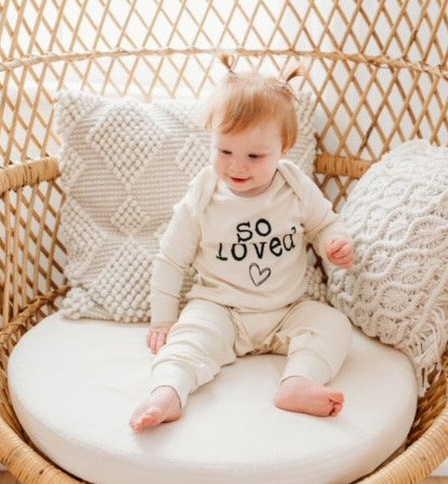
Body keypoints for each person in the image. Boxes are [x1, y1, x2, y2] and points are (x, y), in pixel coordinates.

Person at [130, 56, 355, 432]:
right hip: (221, 309)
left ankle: (298, 381)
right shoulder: (203, 195)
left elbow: (323, 225)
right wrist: (163, 318)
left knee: (334, 325)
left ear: (284, 148)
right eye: (224, 151)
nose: (237, 166)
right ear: (211, 138)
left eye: (254, 156)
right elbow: (171, 259)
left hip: (286, 309)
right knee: (187, 340)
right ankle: (167, 392)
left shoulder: (294, 186)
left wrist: (335, 242)